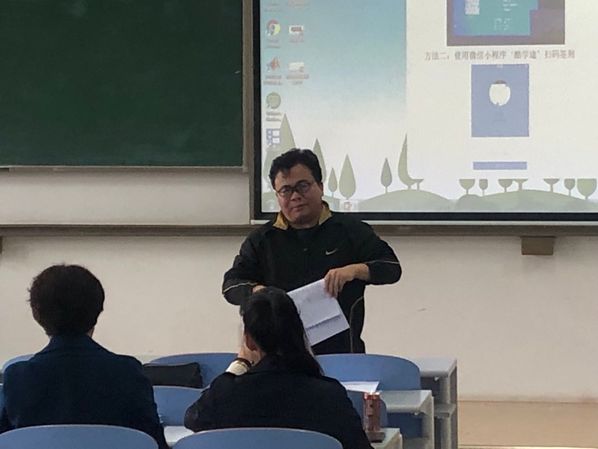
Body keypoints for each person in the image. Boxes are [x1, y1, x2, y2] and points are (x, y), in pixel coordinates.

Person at [222, 148, 401, 353]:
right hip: (280, 357)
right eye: (286, 190)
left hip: (342, 354)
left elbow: (391, 268)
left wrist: (354, 270)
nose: (295, 196)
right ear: (277, 196)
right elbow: (230, 286)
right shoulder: (261, 240)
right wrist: (258, 291)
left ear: (321, 187)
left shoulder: (350, 230)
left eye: (303, 186)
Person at [0, 264, 168, 449]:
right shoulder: (128, 372)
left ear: (36, 314)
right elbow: (154, 443)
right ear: (98, 309)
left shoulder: (17, 378)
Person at [184, 287, 373, 449]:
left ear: (249, 341)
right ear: (298, 331)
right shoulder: (330, 395)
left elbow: (193, 419)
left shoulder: (225, 394)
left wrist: (239, 364)